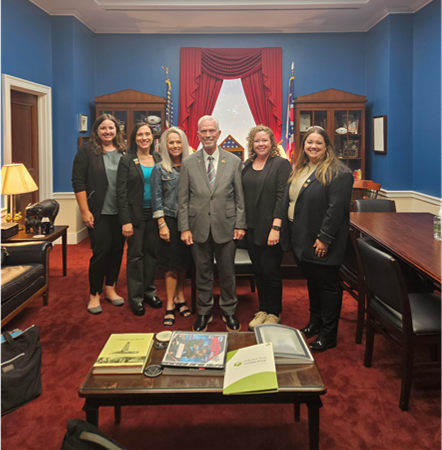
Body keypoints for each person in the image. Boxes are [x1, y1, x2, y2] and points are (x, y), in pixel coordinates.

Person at [281, 126, 354, 352]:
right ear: (303, 146)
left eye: (318, 143)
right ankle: (315, 323)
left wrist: (324, 238)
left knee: (328, 285)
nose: (313, 146)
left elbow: (336, 210)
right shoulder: (301, 168)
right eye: (309, 142)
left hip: (321, 240)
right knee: (313, 281)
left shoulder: (338, 173)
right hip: (300, 236)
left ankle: (328, 334)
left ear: (327, 146)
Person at [177, 115, 246, 332]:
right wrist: (184, 227)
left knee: (227, 273)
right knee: (202, 272)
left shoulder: (234, 161)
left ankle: (229, 311)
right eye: (203, 132)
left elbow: (239, 198)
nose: (207, 135)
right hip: (197, 228)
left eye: (211, 131)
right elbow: (183, 199)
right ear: (198, 135)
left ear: (218, 133)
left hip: (226, 226)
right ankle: (204, 312)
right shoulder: (188, 163)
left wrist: (240, 225)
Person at [72, 114, 126, 314]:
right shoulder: (86, 151)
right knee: (101, 252)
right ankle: (94, 294)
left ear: (117, 131)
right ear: (96, 130)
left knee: (117, 251)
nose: (107, 132)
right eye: (103, 128)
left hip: (121, 212)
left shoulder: (124, 151)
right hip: (98, 212)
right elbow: (78, 182)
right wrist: (84, 211)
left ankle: (110, 289)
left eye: (111, 128)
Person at [242, 125, 292, 330]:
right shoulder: (246, 165)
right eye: (256, 140)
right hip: (251, 227)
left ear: (271, 142)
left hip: (272, 227)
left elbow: (283, 197)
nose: (260, 144)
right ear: (251, 144)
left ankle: (274, 312)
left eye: (264, 140)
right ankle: (262, 309)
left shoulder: (281, 164)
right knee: (259, 271)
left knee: (271, 271)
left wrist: (277, 227)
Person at [117, 122, 163, 316]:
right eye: (140, 135)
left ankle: (149, 292)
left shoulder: (159, 158)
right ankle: (136, 298)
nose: (144, 138)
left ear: (153, 138)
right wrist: (125, 221)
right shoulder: (127, 160)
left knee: (151, 255)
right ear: (134, 138)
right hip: (135, 217)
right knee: (135, 256)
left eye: (148, 134)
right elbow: (121, 192)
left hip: (155, 215)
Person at [151, 127, 192, 326]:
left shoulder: (191, 166)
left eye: (178, 142)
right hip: (168, 220)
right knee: (170, 265)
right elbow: (156, 198)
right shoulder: (159, 169)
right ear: (165, 146)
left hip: (189, 223)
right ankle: (170, 304)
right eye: (171, 143)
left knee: (183, 263)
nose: (175, 146)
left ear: (183, 144)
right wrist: (161, 225)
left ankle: (181, 299)